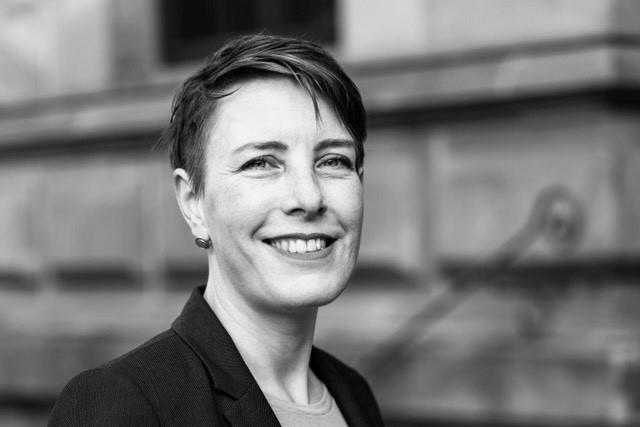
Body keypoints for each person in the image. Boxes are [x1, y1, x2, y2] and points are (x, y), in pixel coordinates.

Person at [48, 34, 383, 426]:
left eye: (333, 161)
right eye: (261, 163)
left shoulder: (353, 395)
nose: (309, 198)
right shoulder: (122, 404)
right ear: (193, 202)